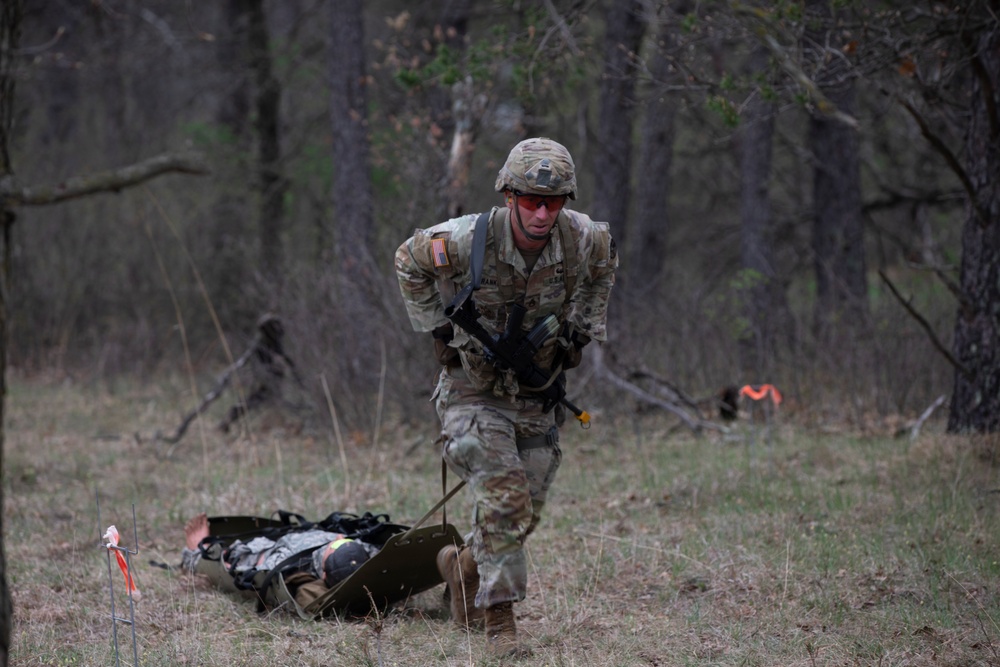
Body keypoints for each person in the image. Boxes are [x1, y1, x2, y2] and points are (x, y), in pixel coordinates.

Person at [395, 137, 617, 657]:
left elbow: (604, 268)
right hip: (471, 389)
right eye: (530, 200)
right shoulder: (465, 238)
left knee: (522, 513)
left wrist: (581, 331)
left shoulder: (584, 238)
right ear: (508, 195)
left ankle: (461, 566)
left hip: (536, 390)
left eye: (554, 201)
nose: (542, 212)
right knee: (506, 497)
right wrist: (439, 332)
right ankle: (500, 626)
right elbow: (408, 260)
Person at [180, 513, 371, 604]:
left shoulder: (284, 564)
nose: (337, 540)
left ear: (323, 573)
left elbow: (232, 572)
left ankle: (195, 549)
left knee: (230, 559)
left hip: (262, 550)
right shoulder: (363, 546)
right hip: (280, 539)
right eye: (340, 542)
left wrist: (198, 551)